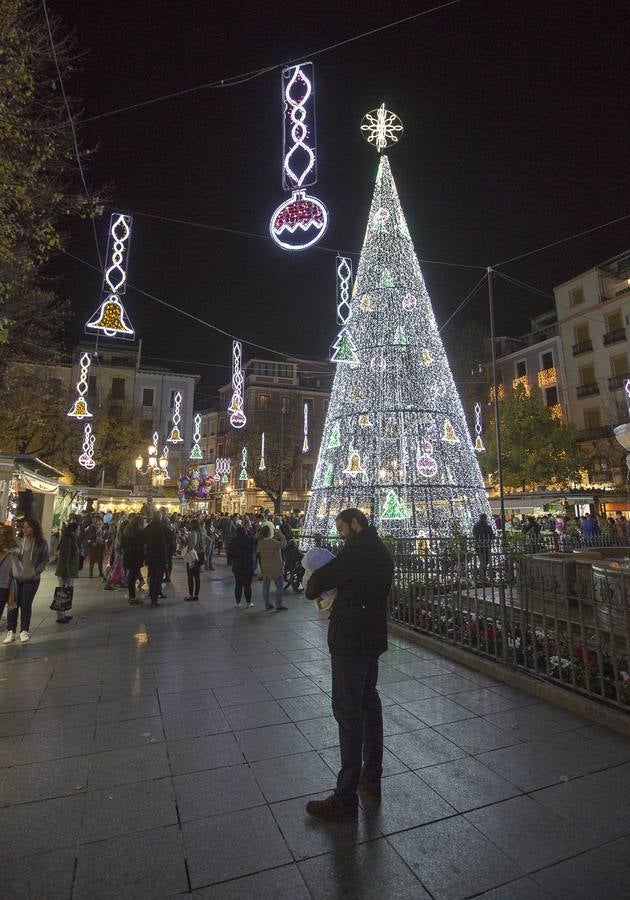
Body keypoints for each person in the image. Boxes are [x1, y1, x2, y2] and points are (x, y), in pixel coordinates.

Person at [304, 509, 394, 822]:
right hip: (372, 638)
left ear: (355, 524)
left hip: (350, 640)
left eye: (342, 528)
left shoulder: (357, 550)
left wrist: (314, 584)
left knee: (348, 710)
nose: (340, 534)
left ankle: (345, 796)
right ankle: (372, 777)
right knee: (369, 702)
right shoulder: (380, 551)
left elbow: (318, 581)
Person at [4, 518, 49, 643]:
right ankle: (11, 631)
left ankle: (24, 630)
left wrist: (36, 571)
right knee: (13, 605)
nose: (25, 529)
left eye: (28, 527)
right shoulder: (18, 542)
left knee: (25, 604)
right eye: (23, 527)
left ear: (34, 528)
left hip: (31, 579)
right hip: (16, 578)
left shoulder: (41, 543)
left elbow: (45, 559)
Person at [257, 523, 287, 610]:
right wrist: (281, 535)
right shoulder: (273, 543)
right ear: (270, 533)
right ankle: (279, 604)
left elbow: (268, 543)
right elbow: (284, 544)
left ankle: (267, 604)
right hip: (276, 568)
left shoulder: (260, 542)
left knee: (266, 587)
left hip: (265, 567)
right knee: (279, 586)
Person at [54, 522, 79, 624]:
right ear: (73, 531)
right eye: (78, 529)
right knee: (62, 593)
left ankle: (63, 613)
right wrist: (65, 573)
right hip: (66, 572)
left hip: (69, 571)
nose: (79, 531)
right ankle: (60, 615)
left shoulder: (71, 540)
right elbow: (65, 559)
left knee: (65, 593)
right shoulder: (68, 541)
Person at [0, 525, 23, 635]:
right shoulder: (15, 550)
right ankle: (10, 630)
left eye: (2, 533)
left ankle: (11, 630)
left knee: (10, 608)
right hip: (7, 583)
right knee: (11, 608)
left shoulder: (11, 551)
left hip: (6, 584)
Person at [143, 511, 168, 606]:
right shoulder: (163, 527)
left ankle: (152, 594)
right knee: (158, 577)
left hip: (151, 555)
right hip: (160, 555)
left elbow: (143, 538)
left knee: (152, 575)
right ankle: (155, 598)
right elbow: (171, 536)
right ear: (160, 517)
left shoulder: (149, 527)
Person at [230, 524, 256, 607]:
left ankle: (238, 603)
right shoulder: (249, 539)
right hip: (248, 565)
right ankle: (248, 603)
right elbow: (255, 539)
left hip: (237, 565)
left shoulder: (234, 540)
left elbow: (230, 552)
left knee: (238, 585)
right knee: (247, 585)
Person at [122, 515, 145, 605]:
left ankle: (132, 595)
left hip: (128, 555)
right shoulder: (139, 532)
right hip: (136, 556)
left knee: (131, 575)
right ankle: (132, 597)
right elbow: (142, 544)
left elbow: (123, 544)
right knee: (133, 576)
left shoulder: (127, 531)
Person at [184, 519, 204, 601]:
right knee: (197, 577)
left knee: (190, 576)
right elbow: (209, 541)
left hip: (193, 556)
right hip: (199, 555)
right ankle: (196, 595)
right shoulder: (200, 533)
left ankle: (191, 595)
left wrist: (186, 551)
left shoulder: (193, 534)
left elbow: (191, 546)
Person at [472, 513, 493, 582]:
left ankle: (480, 573)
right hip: (486, 546)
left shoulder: (475, 526)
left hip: (478, 546)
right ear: (485, 518)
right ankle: (482, 574)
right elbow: (492, 536)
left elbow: (474, 535)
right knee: (486, 561)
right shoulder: (488, 526)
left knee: (482, 560)